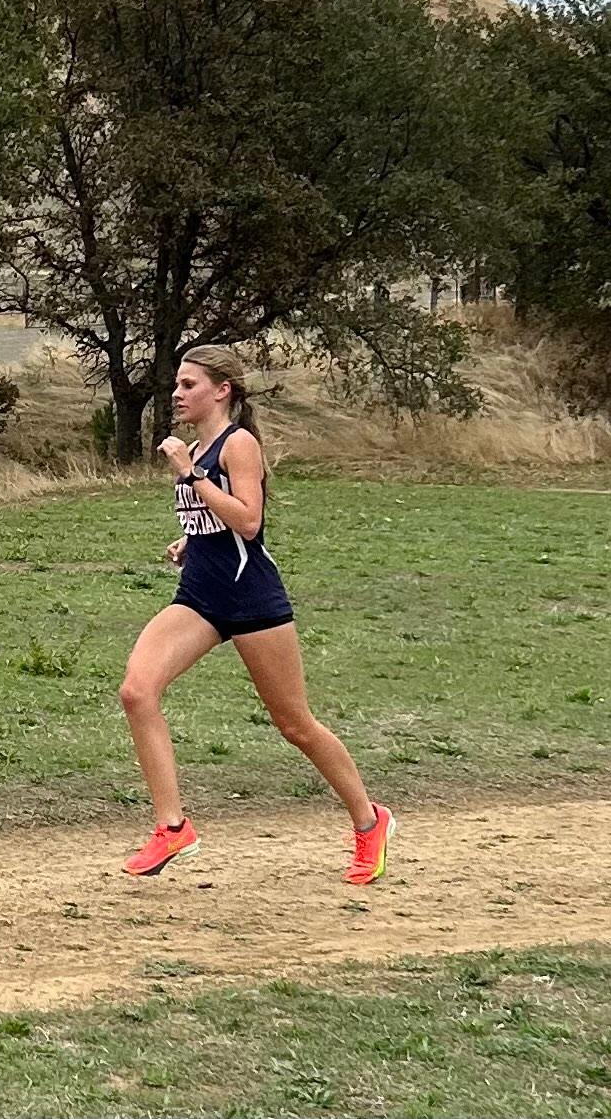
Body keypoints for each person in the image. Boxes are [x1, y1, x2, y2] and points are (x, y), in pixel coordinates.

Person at [119, 345, 395, 884]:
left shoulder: (237, 444)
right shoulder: (197, 448)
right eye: (177, 384)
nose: (177, 394)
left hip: (251, 600)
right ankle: (172, 827)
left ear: (222, 390)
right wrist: (190, 541)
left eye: (189, 385)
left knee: (295, 724)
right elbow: (217, 523)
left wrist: (190, 475)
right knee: (137, 691)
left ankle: (369, 821)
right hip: (200, 597)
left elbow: (248, 522)